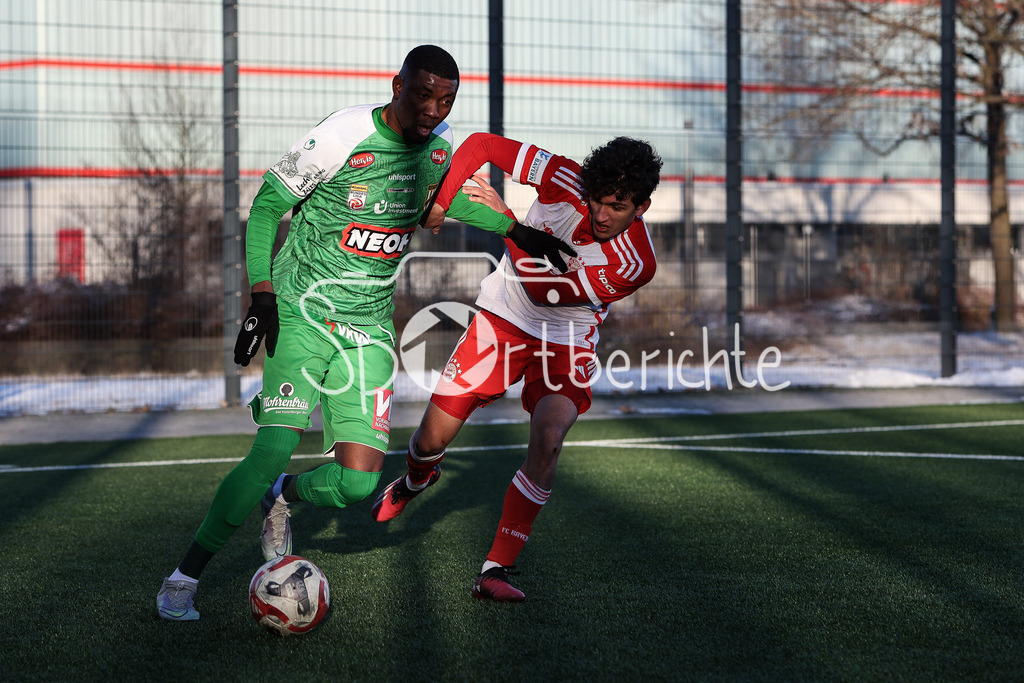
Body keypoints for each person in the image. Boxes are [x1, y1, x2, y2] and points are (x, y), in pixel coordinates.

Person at [156, 45, 573, 622]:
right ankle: (183, 578)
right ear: (396, 83)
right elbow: (267, 204)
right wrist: (261, 293)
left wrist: (519, 232)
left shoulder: (438, 149)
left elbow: (446, 204)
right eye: (422, 93)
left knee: (356, 484)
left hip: (368, 328)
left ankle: (281, 496)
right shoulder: (345, 132)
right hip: (302, 310)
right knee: (271, 445)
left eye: (445, 99)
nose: (432, 108)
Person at [370, 132, 663, 602]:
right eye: (596, 201)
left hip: (565, 336)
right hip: (502, 319)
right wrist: (442, 202)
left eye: (617, 207)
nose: (601, 215)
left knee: (549, 440)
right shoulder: (562, 175)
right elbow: (481, 146)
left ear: (641, 208)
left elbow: (547, 291)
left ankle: (496, 568)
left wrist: (507, 222)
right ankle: (415, 479)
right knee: (430, 440)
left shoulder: (636, 264)